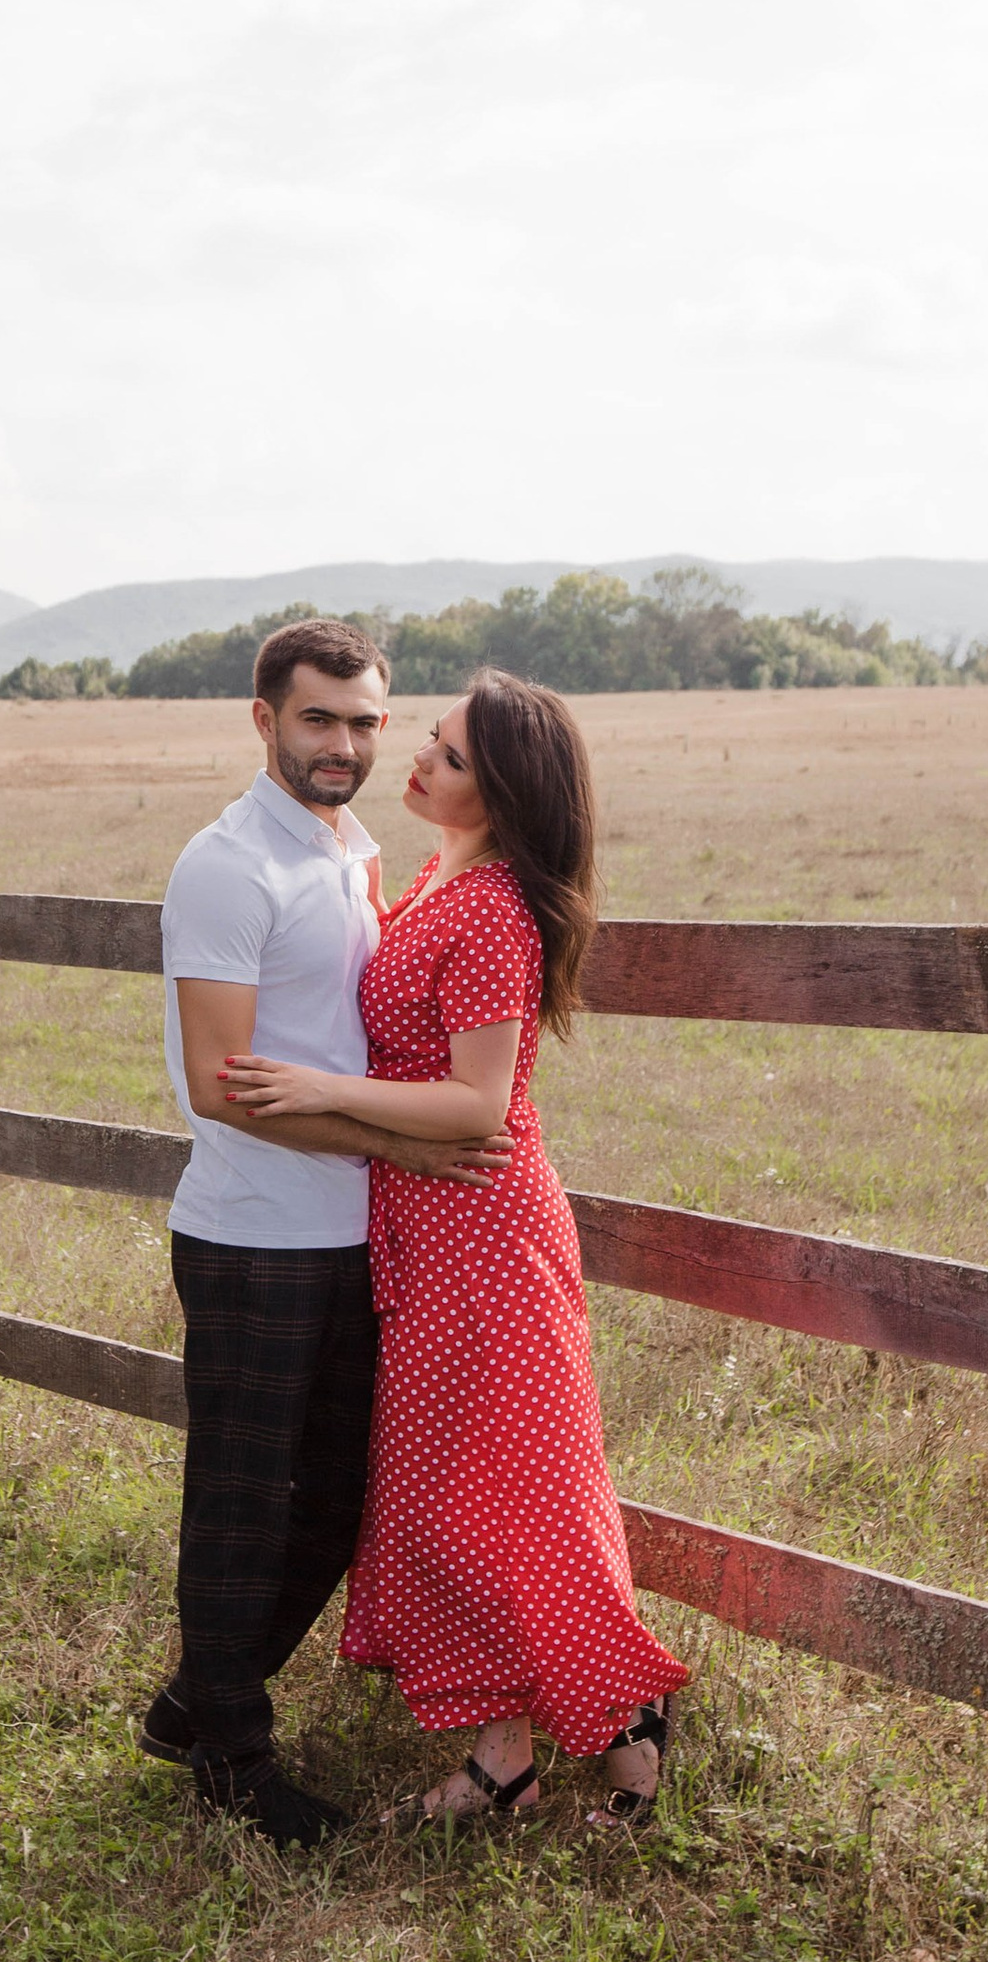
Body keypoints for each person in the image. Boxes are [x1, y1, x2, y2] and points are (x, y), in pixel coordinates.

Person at [223, 670, 686, 1827]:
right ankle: (508, 1755)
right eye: (429, 739)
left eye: (453, 757)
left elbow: (479, 1103)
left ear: (508, 793)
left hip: (483, 1229)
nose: (417, 759)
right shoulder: (440, 877)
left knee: (521, 1494)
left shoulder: (488, 912)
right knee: (452, 1495)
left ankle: (628, 1731)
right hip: (426, 1232)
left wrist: (321, 1087)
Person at [149, 617, 510, 1847]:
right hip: (253, 1234)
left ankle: (197, 1698)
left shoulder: (352, 853)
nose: (345, 745)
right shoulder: (226, 865)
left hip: (347, 1236)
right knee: (242, 1496)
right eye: (319, 718)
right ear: (264, 720)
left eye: (365, 722)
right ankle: (233, 1763)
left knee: (339, 1488)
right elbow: (219, 1080)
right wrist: (409, 1147)